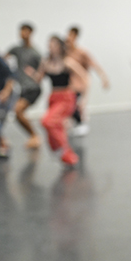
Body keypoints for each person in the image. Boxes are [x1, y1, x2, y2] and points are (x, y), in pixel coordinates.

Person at [36, 36, 87, 166]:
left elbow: (83, 76)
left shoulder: (67, 62)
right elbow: (38, 79)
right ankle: (63, 153)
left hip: (66, 97)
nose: (51, 47)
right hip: (53, 97)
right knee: (56, 125)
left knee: (47, 121)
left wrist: (82, 98)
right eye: (49, 45)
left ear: (60, 47)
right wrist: (31, 74)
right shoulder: (46, 62)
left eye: (54, 45)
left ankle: (62, 150)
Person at [65, 26, 110, 136]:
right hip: (69, 84)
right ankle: (75, 122)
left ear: (76, 37)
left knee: (79, 103)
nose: (69, 38)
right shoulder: (65, 53)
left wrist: (104, 78)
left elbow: (94, 65)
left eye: (71, 35)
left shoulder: (82, 52)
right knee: (70, 103)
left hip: (81, 82)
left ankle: (82, 123)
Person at [4, 22, 43, 150]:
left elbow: (43, 71)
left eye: (25, 31)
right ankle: (33, 136)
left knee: (18, 111)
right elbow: (3, 58)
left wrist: (34, 74)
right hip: (23, 88)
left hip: (33, 88)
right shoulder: (17, 49)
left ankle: (35, 136)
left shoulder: (35, 53)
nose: (22, 34)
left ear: (31, 33)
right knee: (17, 113)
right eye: (21, 31)